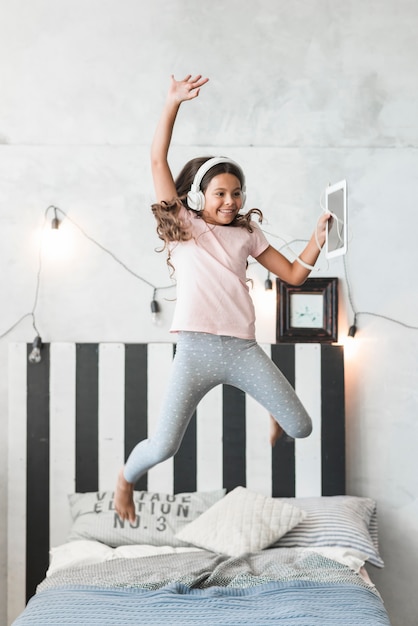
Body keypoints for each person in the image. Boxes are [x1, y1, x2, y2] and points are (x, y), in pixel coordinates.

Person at [115, 74, 331, 522]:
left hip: (242, 350)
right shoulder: (183, 227)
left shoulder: (248, 234)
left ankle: (270, 406)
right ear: (198, 196)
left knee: (301, 427)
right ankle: (124, 481)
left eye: (236, 193)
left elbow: (292, 274)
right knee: (164, 446)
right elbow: (157, 159)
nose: (230, 201)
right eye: (220, 193)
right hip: (195, 351)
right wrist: (172, 101)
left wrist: (316, 239)